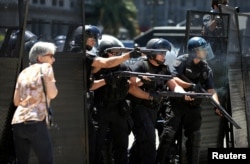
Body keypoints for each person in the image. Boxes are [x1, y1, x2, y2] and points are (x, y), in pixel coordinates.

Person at [70, 25, 143, 164]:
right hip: (91, 106)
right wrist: (128, 55)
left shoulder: (79, 52)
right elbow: (106, 64)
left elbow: (90, 84)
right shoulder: (79, 53)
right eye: (91, 38)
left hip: (112, 109)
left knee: (117, 145)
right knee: (94, 144)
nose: (93, 42)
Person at [127, 38, 194, 164]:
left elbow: (174, 85)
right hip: (139, 108)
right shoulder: (141, 65)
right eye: (161, 53)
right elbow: (131, 87)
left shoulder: (163, 69)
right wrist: (147, 90)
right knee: (149, 143)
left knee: (142, 142)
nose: (164, 56)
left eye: (165, 53)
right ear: (152, 53)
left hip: (153, 109)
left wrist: (184, 94)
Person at [157, 36, 222, 164]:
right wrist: (190, 86)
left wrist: (217, 105)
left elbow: (211, 90)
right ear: (194, 51)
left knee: (195, 137)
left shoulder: (205, 67)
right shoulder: (182, 61)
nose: (206, 51)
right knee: (168, 135)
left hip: (193, 107)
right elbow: (173, 78)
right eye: (203, 49)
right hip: (177, 105)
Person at [12, 41, 58, 164]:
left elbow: (16, 101)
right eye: (51, 56)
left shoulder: (23, 72)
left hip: (18, 123)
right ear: (40, 57)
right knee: (46, 160)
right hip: (36, 121)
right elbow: (52, 94)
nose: (53, 60)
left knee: (22, 161)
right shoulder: (46, 67)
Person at [92, 36, 135, 164]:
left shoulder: (123, 67)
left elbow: (134, 82)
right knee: (97, 144)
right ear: (104, 53)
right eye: (113, 53)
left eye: (118, 53)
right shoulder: (98, 67)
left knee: (121, 145)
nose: (117, 55)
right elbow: (91, 85)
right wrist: (106, 80)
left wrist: (145, 79)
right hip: (101, 108)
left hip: (119, 109)